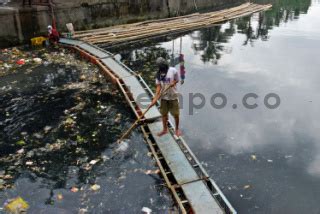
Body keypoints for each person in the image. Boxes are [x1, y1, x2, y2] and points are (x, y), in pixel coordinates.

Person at [151, 57, 182, 137]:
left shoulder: (173, 70)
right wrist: (155, 98)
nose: (161, 68)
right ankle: (165, 130)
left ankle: (177, 129)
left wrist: (173, 83)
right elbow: (158, 86)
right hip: (164, 97)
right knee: (164, 114)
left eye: (162, 66)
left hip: (173, 96)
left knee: (176, 114)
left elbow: (177, 80)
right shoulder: (158, 74)